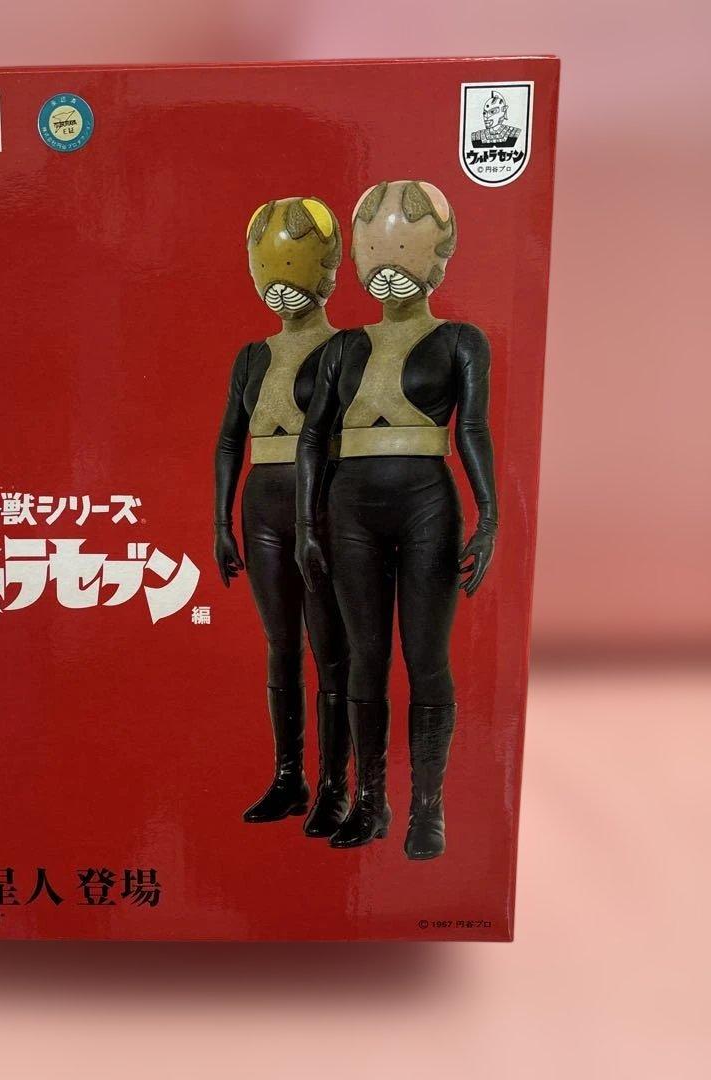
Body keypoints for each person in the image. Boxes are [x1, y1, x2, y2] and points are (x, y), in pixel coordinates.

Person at [295, 180, 498, 859]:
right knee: (365, 658)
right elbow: (312, 437)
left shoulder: (461, 341)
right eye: (377, 250)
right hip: (349, 508)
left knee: (427, 658)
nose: (390, 266)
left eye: (406, 249)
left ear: (439, 253)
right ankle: (371, 799)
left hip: (427, 507)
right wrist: (306, 525)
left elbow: (472, 429)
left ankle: (428, 808)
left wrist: (490, 516)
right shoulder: (342, 348)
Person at [214, 197, 351, 836]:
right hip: (261, 503)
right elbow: (228, 441)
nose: (280, 285)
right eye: (268, 269)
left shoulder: (346, 348)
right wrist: (220, 523)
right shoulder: (250, 356)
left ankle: (335, 785)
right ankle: (289, 776)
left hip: (322, 500)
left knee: (331, 645)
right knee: (281, 645)